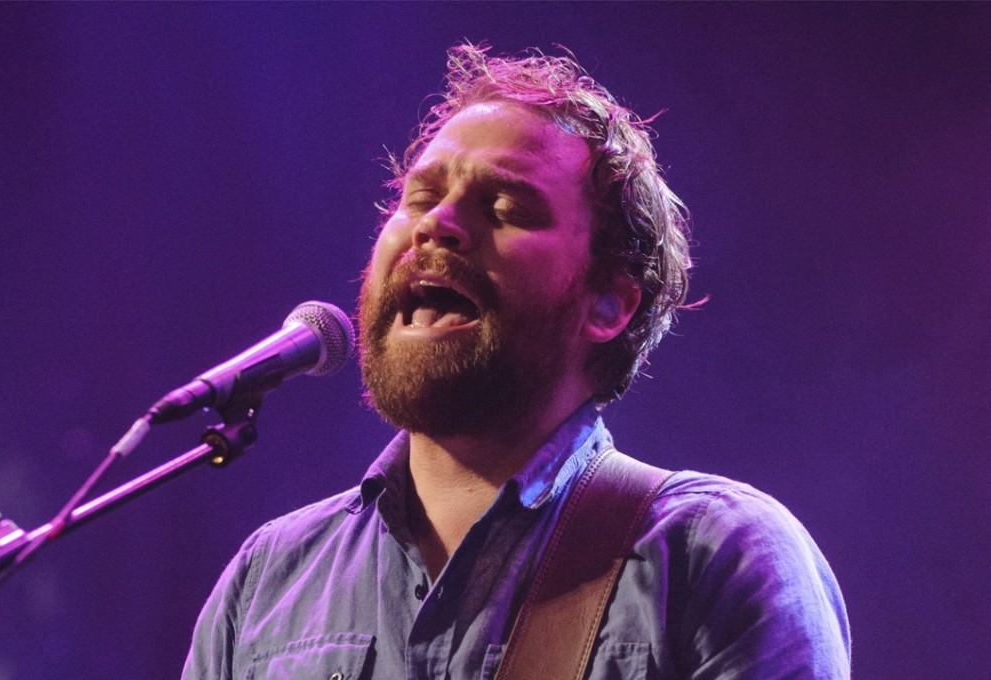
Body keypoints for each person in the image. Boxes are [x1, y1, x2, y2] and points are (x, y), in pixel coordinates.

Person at [182, 44, 851, 679]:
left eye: (503, 206)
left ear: (607, 303)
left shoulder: (712, 558)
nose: (434, 224)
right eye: (418, 199)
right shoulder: (269, 579)